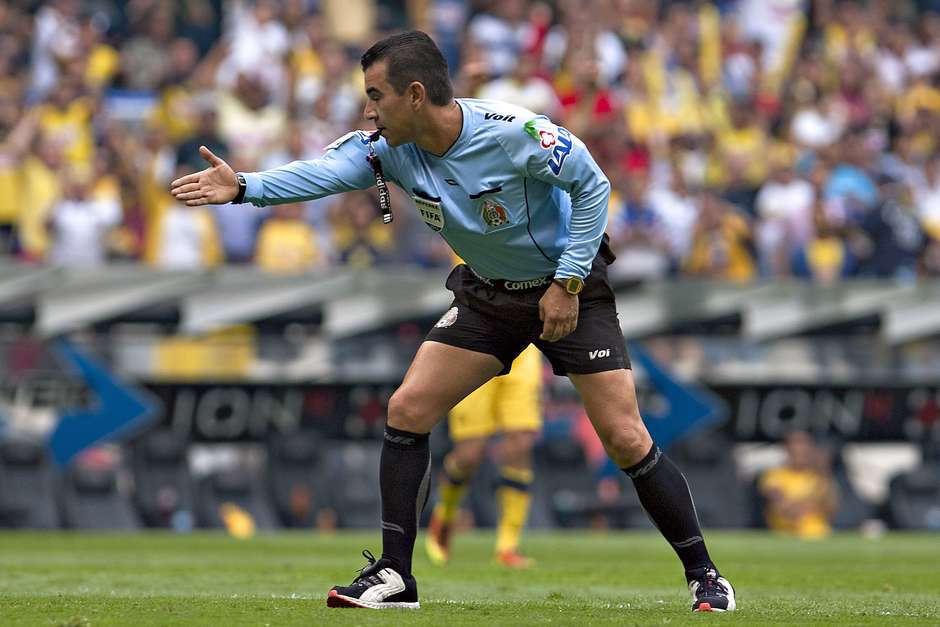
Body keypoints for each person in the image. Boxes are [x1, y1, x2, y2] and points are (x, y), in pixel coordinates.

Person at [170, 31, 736, 613]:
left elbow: (592, 184)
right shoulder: (388, 147)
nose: (367, 110)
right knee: (407, 409)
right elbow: (323, 172)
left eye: (376, 95)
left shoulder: (514, 132)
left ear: (415, 95)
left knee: (624, 438)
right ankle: (395, 576)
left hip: (567, 292)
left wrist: (568, 283)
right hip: (488, 296)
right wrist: (243, 187)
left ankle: (706, 576)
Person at [425, 343, 543, 568]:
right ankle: (445, 516)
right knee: (468, 455)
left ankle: (508, 547)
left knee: (520, 445)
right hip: (476, 345)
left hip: (523, 347)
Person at [758, 429, 838, 539]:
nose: (799, 449)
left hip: (819, 534)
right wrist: (811, 503)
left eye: (804, 444)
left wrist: (823, 474)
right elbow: (785, 509)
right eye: (795, 444)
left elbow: (831, 508)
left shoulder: (818, 476)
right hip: (786, 535)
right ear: (786, 448)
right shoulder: (773, 476)